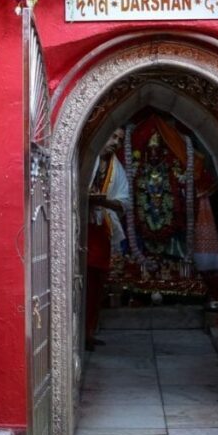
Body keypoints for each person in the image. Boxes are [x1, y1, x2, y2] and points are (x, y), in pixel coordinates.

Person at [85, 127, 131, 349]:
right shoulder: (86, 159)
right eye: (112, 136)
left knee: (96, 286)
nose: (115, 143)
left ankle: (88, 332)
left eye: (119, 140)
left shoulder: (117, 169)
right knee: (79, 284)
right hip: (82, 229)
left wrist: (102, 202)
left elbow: (123, 202)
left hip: (102, 231)